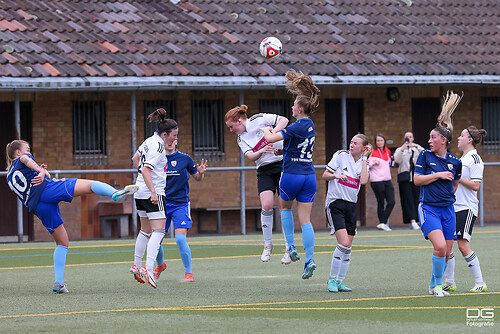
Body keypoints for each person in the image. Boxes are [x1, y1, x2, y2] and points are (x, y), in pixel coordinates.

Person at [5, 140, 138, 293]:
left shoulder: (9, 176)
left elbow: (27, 178)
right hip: (47, 190)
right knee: (90, 185)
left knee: (62, 242)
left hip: (37, 206)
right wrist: (41, 172)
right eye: (27, 149)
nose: (30, 152)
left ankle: (59, 283)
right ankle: (114, 193)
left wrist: (37, 171)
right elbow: (26, 159)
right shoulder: (22, 158)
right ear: (18, 152)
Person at [263, 69, 319, 279]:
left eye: (294, 105)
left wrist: (265, 128)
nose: (292, 107)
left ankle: (292, 247)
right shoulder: (310, 125)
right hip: (309, 175)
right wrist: (283, 150)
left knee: (284, 209)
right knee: (305, 220)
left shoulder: (296, 126)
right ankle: (310, 260)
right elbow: (297, 145)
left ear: (300, 108)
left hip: (292, 175)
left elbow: (270, 138)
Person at [225, 105, 291, 263]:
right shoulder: (241, 138)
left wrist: (272, 135)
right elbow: (251, 156)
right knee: (267, 205)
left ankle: (289, 247)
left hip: (282, 163)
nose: (231, 130)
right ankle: (268, 245)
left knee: (284, 207)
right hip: (264, 170)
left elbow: (285, 120)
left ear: (239, 121)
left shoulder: (258, 119)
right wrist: (262, 150)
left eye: (231, 126)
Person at [413, 91, 463, 297]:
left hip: (448, 210)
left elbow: (456, 184)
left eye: (433, 137)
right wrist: (438, 175)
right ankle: (438, 286)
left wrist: (447, 194)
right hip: (428, 208)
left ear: (443, 140)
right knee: (440, 246)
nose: (429, 140)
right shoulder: (425, 156)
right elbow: (417, 180)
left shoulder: (456, 161)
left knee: (447, 252)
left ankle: (434, 285)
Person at [129, 108, 178, 289]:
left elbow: (135, 159)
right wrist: (153, 191)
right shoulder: (158, 147)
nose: (175, 139)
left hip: (139, 192)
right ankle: (149, 269)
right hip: (152, 193)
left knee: (145, 230)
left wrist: (143, 183)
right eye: (173, 135)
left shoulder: (149, 140)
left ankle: (136, 264)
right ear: (164, 134)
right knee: (159, 231)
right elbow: (145, 169)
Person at [153, 138, 207, 283]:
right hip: (161, 204)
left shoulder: (185, 159)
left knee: (180, 238)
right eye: (167, 139)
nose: (170, 142)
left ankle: (189, 274)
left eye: (173, 139)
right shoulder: (157, 159)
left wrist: (201, 173)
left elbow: (197, 178)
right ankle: (160, 265)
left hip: (180, 205)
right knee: (155, 241)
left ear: (176, 141)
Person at [323, 134, 371, 293]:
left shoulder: (364, 163)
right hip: (335, 203)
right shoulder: (340, 155)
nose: (351, 145)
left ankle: (339, 281)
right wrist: (336, 175)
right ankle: (331, 279)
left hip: (351, 205)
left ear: (364, 148)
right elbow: (325, 175)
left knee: (348, 247)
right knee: (343, 243)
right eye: (351, 142)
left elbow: (363, 180)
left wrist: (365, 159)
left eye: (355, 143)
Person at [443, 126, 488, 293]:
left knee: (463, 245)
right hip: (453, 206)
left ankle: (480, 282)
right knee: (446, 245)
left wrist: (458, 176)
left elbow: (476, 186)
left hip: (466, 208)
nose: (458, 138)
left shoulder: (474, 159)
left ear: (470, 139)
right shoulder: (461, 159)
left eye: (462, 136)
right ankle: (450, 282)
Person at [394, 131, 424, 230]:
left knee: (416, 198)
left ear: (413, 138)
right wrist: (403, 148)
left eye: (410, 137)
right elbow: (396, 160)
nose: (408, 139)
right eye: (406, 137)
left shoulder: (416, 149)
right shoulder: (400, 149)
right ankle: (412, 220)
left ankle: (417, 219)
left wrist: (416, 146)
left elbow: (424, 155)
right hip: (405, 179)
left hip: (416, 178)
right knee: (408, 200)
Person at [369, 134, 395, 232]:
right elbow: (367, 164)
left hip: (387, 180)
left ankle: (382, 223)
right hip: (376, 181)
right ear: (375, 142)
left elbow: (390, 164)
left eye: (381, 140)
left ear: (384, 141)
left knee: (392, 201)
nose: (379, 142)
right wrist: (373, 163)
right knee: (381, 202)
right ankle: (383, 223)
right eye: (378, 140)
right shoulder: (373, 152)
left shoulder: (388, 152)